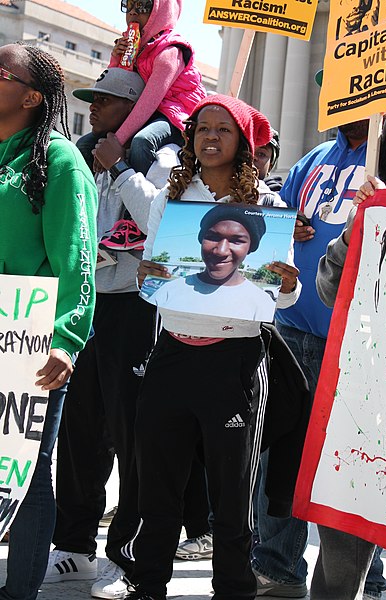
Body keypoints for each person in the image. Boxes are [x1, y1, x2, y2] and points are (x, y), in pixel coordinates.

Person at [124, 94, 301, 600]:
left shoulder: (267, 208)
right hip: (172, 354)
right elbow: (150, 286)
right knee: (156, 489)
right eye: (202, 128)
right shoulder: (170, 198)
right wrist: (148, 275)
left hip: (235, 364)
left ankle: (231, 590)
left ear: (243, 142)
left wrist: (284, 282)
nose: (210, 136)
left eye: (223, 129)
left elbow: (283, 299)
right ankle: (148, 586)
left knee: (231, 498)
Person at [44, 68, 180, 600]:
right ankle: (73, 546)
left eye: (104, 99)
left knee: (132, 434)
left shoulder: (159, 155)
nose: (94, 108)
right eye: (90, 100)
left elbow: (164, 221)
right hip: (88, 303)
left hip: (137, 309)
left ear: (134, 106)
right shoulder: (80, 155)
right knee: (78, 431)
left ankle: (127, 556)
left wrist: (121, 169)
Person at [252, 115, 386, 600]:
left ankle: (366, 578)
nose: (353, 106)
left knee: (355, 467)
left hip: (360, 350)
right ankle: (276, 566)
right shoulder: (311, 160)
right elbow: (275, 226)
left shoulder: (382, 164)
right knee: (284, 455)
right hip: (295, 330)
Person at [0, 42, 97, 600]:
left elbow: (77, 258)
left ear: (33, 96)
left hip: (31, 337)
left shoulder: (61, 163)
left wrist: (67, 339)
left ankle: (20, 590)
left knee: (27, 472)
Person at [78, 0, 206, 176]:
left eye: (142, 7)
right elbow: (115, 88)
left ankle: (140, 195)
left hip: (176, 115)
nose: (132, 13)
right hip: (148, 112)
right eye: (128, 6)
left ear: (162, 12)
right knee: (86, 144)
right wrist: (116, 59)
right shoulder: (136, 44)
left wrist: (117, 141)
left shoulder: (170, 52)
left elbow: (148, 103)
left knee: (141, 141)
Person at [146, 204, 278, 321]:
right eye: (213, 238)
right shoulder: (169, 291)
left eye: (236, 241)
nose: (221, 251)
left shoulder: (261, 303)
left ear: (250, 248)